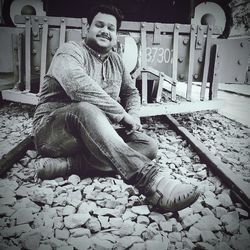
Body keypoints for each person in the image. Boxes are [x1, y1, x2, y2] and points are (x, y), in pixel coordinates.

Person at [33, 4, 199, 212]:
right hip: (53, 132)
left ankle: (70, 165)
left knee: (148, 145)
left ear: (116, 34)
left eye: (111, 28)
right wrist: (121, 115)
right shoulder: (70, 51)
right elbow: (77, 87)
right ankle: (153, 182)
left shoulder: (117, 62)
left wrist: (134, 115)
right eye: (99, 25)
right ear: (87, 29)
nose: (105, 31)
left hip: (95, 136)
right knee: (85, 108)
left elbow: (131, 93)